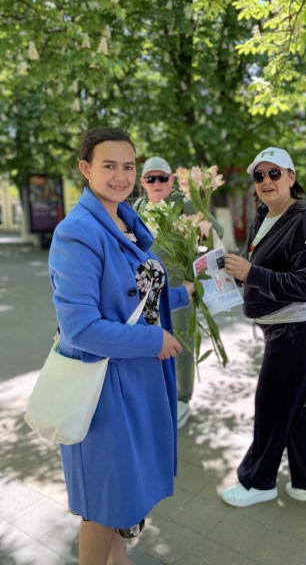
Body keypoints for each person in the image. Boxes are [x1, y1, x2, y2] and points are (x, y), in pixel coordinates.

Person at [48, 127, 194, 565]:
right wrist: (155, 339)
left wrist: (184, 293)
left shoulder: (125, 222)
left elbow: (138, 295)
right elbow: (80, 328)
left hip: (134, 382)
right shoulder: (77, 232)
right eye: (109, 165)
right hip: (103, 389)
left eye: (128, 166)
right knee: (102, 504)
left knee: (120, 497)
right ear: (85, 169)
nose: (121, 176)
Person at [221, 147, 306, 508]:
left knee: (272, 406)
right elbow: (264, 269)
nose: (266, 181)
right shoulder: (265, 215)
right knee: (295, 407)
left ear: (291, 177)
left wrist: (251, 273)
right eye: (259, 175)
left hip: (297, 330)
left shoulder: (304, 220)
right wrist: (235, 277)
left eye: (275, 173)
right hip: (283, 328)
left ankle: (258, 483)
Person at [134, 156, 223, 429]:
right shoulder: (135, 208)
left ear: (172, 180)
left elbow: (215, 232)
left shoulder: (183, 205)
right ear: (143, 182)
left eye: (162, 178)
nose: (157, 183)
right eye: (151, 178)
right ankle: (156, 396)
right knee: (149, 344)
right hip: (145, 293)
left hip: (178, 289)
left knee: (180, 343)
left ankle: (181, 398)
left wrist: (197, 267)